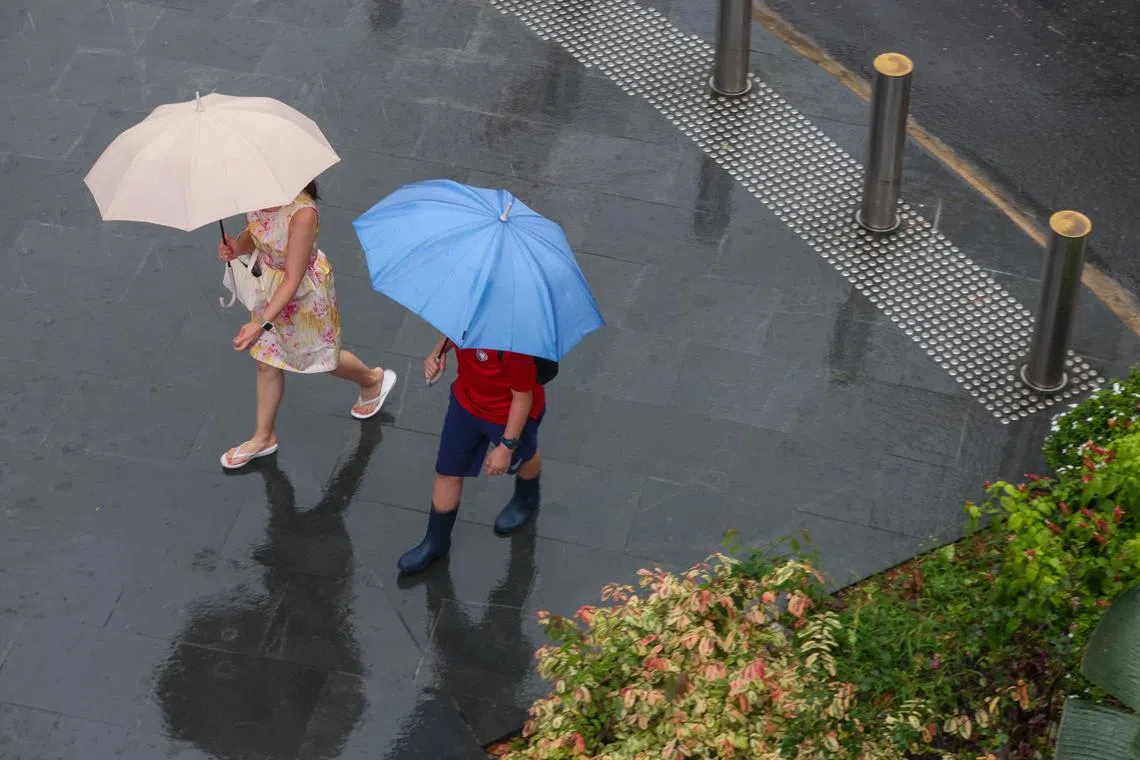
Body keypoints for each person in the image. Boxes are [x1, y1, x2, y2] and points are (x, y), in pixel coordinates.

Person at [216, 180, 396, 469]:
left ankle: (373, 380)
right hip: (270, 289)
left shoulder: (302, 214)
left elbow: (293, 278)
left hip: (302, 297)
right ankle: (264, 436)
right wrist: (236, 247)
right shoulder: (255, 195)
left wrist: (260, 323)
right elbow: (256, 231)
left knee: (319, 358)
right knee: (266, 360)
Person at [397, 338, 544, 574]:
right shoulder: (469, 314)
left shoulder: (515, 347)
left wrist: (506, 447)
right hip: (465, 405)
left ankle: (527, 498)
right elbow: (453, 333)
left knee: (524, 458)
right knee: (447, 471)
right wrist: (437, 352)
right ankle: (436, 542)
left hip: (507, 417)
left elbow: (522, 398)